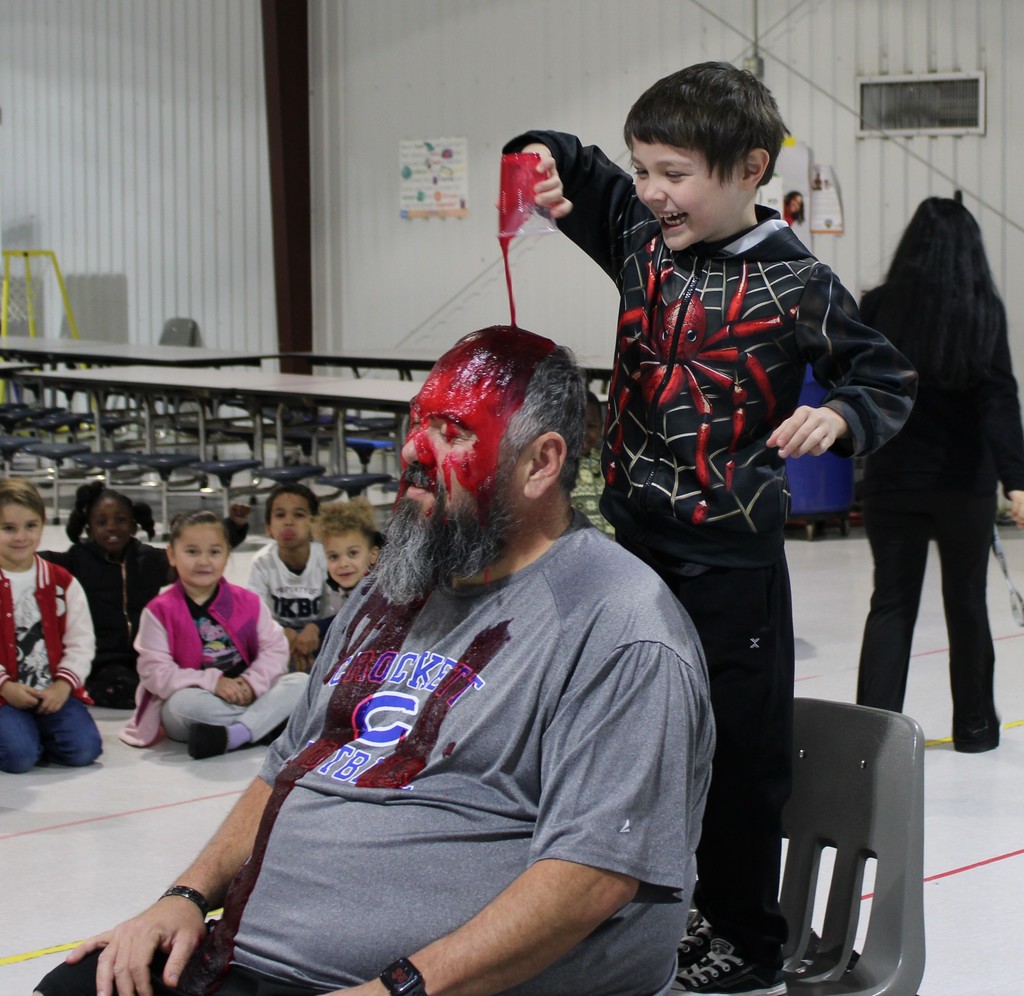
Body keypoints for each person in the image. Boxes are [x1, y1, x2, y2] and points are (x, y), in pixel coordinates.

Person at [38, 326, 714, 996]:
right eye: (416, 423)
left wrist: (399, 989)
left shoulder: (619, 624)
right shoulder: (390, 590)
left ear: (541, 463)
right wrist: (183, 897)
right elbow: (285, 770)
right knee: (75, 986)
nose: (414, 449)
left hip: (420, 986)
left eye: (452, 432)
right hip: (247, 956)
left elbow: (592, 875)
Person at [504, 61, 916, 994]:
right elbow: (577, 164)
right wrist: (538, 156)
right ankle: (650, 911)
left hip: (730, 560)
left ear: (748, 169)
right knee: (624, 739)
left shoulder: (799, 280)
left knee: (736, 756)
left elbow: (886, 378)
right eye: (645, 168)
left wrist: (843, 415)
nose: (652, 190)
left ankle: (749, 935)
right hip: (630, 548)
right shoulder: (641, 236)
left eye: (675, 172)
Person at [856, 196, 1024, 752]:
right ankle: (976, 727)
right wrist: (1015, 479)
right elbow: (1000, 398)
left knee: (892, 603)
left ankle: (872, 738)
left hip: (892, 478)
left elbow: (856, 386)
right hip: (962, 484)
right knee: (967, 602)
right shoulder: (982, 310)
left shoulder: (879, 306)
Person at [40, 483, 253, 709]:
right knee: (127, 692)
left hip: (147, 654)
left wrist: (234, 526)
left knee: (195, 671)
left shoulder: (147, 559)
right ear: (89, 528)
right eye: (101, 522)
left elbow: (191, 554)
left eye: (121, 520)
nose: (111, 527)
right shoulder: (77, 560)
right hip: (101, 659)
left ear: (134, 526)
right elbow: (35, 561)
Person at [119, 510, 307, 760]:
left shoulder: (248, 602)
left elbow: (275, 650)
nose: (204, 561)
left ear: (228, 554)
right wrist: (213, 683)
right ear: (171, 555)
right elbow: (156, 674)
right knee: (181, 705)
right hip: (200, 699)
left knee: (301, 683)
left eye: (214, 552)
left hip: (249, 692)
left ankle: (236, 735)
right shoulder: (159, 610)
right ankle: (269, 724)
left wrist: (251, 684)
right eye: (192, 551)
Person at [0, 479, 101, 774]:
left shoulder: (61, 581)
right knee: (19, 758)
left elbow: (81, 642)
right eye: (8, 528)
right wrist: (5, 686)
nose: (21, 537)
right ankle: (20, 736)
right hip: (3, 696)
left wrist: (62, 685)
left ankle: (27, 732)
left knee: (84, 750)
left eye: (30, 526)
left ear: (43, 524)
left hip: (50, 693)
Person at [246, 483, 330, 672]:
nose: (288, 522)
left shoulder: (326, 557)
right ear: (268, 527)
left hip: (321, 635)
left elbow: (343, 613)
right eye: (280, 515)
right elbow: (255, 616)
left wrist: (315, 628)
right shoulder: (261, 562)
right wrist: (282, 632)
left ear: (314, 525)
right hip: (276, 637)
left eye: (299, 515)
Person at [314, 496, 382, 616]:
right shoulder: (336, 591)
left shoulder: (383, 596)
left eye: (353, 553)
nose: (343, 564)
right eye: (334, 557)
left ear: (373, 554)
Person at [571, 390, 615, 535]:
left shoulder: (607, 461)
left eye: (591, 426)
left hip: (612, 546)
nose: (583, 433)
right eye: (576, 425)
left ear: (601, 426)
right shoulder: (561, 467)